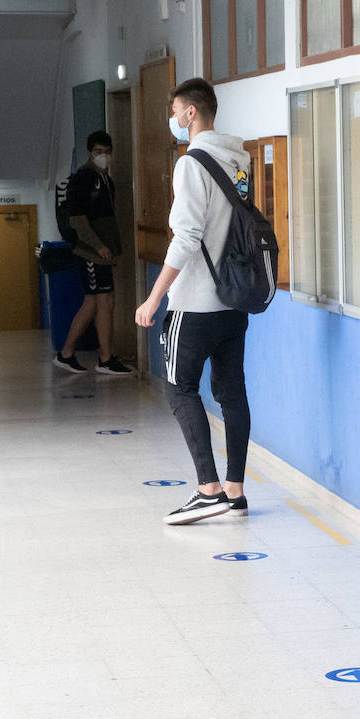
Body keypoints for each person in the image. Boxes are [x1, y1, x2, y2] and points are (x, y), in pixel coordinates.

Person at [135, 78, 252, 524]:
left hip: (196, 302)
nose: (174, 122)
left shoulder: (191, 164)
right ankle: (235, 491)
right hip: (234, 300)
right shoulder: (238, 158)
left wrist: (153, 298)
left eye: (176, 112)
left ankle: (208, 489)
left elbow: (186, 237)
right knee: (231, 391)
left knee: (179, 387)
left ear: (190, 114)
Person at [54, 130, 132, 375]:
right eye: (99, 152)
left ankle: (89, 356)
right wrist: (98, 246)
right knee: (99, 301)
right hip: (90, 252)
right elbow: (78, 220)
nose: (104, 156)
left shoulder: (106, 180)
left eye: (107, 152)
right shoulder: (84, 179)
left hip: (103, 253)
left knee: (101, 302)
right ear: (90, 153)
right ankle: (95, 357)